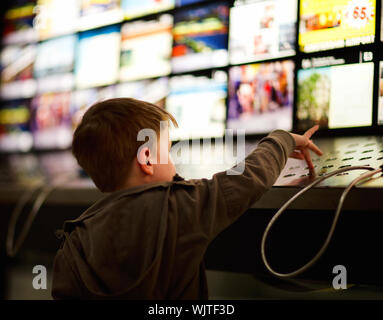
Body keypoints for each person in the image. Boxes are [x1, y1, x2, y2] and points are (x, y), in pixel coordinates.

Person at [51, 97, 323, 299]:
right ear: (147, 159)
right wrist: (282, 139)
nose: (173, 163)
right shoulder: (178, 207)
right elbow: (247, 180)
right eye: (168, 151)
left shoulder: (73, 241)